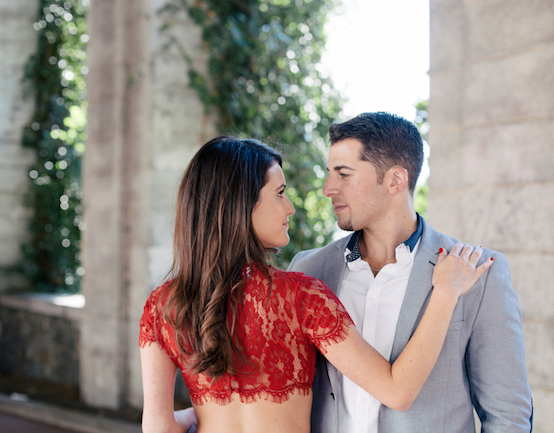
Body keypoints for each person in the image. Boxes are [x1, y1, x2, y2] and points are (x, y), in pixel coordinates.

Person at [139, 136, 493, 433]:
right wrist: (445, 293)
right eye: (279, 193)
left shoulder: (161, 307)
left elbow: (158, 428)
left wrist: (202, 413)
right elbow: (397, 391)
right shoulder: (300, 297)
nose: (290, 208)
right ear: (241, 206)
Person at [288, 112, 533, 433]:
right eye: (329, 173)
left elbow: (507, 416)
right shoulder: (308, 271)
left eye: (343, 174)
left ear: (395, 180)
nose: (327, 188)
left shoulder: (479, 272)